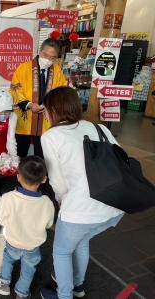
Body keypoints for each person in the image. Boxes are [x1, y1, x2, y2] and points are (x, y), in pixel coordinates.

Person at [39, 87, 124, 299]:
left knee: (62, 251)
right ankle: (78, 286)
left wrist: (63, 204)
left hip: (80, 210)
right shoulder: (100, 128)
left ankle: (64, 295)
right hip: (114, 206)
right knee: (81, 240)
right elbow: (122, 161)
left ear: (53, 111)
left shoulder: (51, 136)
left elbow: (57, 181)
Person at [0, 156, 54, 299]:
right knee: (29, 269)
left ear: (18, 177)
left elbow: (1, 219)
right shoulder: (47, 203)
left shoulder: (8, 197)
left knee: (8, 259)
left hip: (13, 242)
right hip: (33, 246)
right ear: (44, 179)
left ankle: (4, 282)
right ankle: (22, 292)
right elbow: (49, 224)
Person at [10, 38, 67, 159]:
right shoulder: (23, 68)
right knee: (20, 154)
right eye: (45, 55)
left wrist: (50, 104)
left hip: (46, 121)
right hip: (24, 119)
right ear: (40, 51)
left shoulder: (57, 71)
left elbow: (62, 92)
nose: (48, 60)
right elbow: (15, 88)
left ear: (56, 58)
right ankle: (18, 177)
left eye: (52, 58)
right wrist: (29, 104)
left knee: (42, 155)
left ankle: (41, 177)